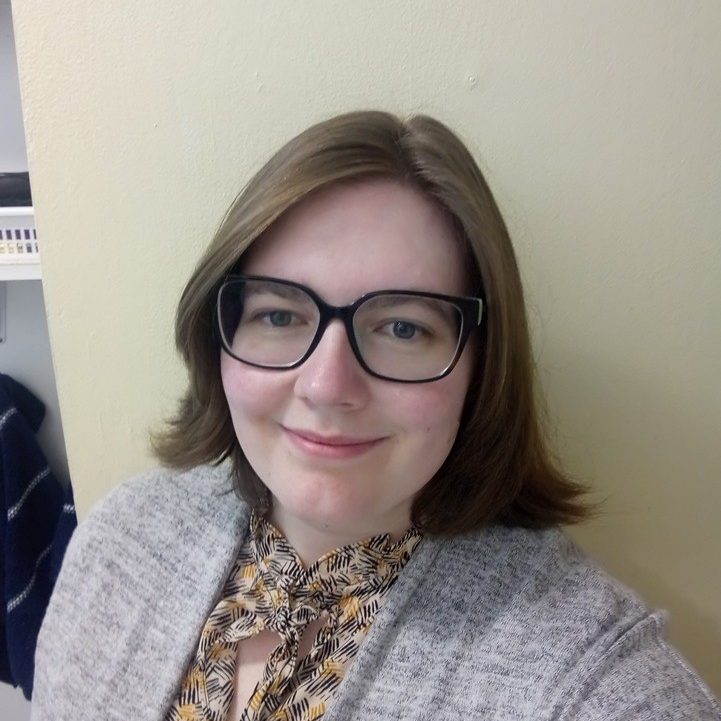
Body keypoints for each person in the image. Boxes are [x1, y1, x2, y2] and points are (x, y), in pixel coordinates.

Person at [31, 111, 720, 721]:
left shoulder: (588, 680)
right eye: (279, 315)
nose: (327, 386)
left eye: (402, 328)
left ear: (481, 366)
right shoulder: (120, 542)